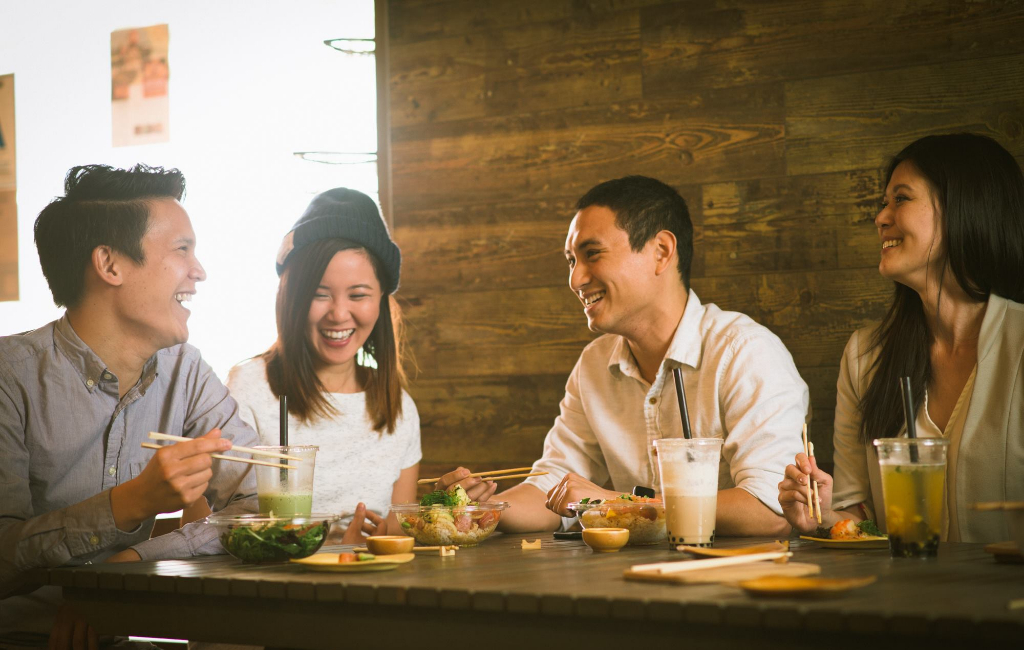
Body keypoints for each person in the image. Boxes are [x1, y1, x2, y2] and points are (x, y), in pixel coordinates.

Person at [437, 175, 809, 535]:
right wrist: (480, 511)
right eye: (571, 261)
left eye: (592, 254)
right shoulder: (595, 365)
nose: (575, 279)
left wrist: (618, 503)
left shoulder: (745, 352)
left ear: (661, 252)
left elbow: (769, 509)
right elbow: (553, 490)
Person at [0, 164, 259, 648]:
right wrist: (132, 503)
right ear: (110, 264)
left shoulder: (185, 369)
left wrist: (129, 568)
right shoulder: (9, 376)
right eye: (182, 250)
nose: (198, 271)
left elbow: (260, 501)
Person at [778, 133, 1024, 543]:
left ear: (962, 209)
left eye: (901, 199)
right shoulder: (865, 357)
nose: (881, 217)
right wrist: (824, 514)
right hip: (903, 600)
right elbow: (865, 517)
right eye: (883, 202)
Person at [227, 188, 420, 540]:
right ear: (292, 297)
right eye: (319, 294)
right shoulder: (249, 388)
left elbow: (396, 538)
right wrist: (324, 551)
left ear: (380, 301)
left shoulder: (399, 409)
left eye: (358, 295)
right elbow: (200, 532)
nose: (338, 314)